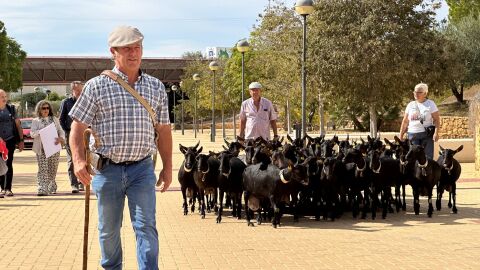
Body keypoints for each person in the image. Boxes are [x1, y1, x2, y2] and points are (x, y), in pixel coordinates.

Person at [69, 25, 172, 270]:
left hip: (142, 169)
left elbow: (164, 131)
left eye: (137, 47)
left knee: (146, 227)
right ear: (113, 52)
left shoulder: (156, 87)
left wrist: (168, 168)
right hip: (107, 171)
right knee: (108, 231)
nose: (134, 53)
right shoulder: (96, 86)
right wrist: (78, 160)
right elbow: (77, 127)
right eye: (127, 49)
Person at [30, 100, 65, 196]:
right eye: (43, 108)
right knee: (43, 169)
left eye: (47, 108)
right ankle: (42, 188)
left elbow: (61, 131)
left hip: (53, 147)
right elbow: (32, 134)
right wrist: (41, 131)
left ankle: (51, 186)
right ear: (39, 110)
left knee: (52, 169)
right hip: (41, 149)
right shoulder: (35, 121)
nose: (46, 110)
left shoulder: (54, 119)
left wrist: (61, 138)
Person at [399, 83, 440, 159]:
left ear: (425, 93)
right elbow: (405, 121)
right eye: (415, 92)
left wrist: (436, 133)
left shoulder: (431, 104)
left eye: (419, 92)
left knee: (427, 158)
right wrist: (401, 135)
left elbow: (436, 120)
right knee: (413, 158)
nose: (416, 94)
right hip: (412, 135)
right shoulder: (410, 105)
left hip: (426, 135)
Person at [59, 81, 84, 193]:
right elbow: (61, 119)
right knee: (72, 160)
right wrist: (67, 131)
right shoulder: (66, 102)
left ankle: (82, 182)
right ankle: (74, 184)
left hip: (85, 134)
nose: (79, 92)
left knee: (84, 158)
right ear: (72, 90)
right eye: (77, 90)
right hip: (70, 134)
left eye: (81, 90)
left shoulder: (86, 101)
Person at [0, 89, 24, 197]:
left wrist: (21, 140)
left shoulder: (12, 109)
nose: (4, 99)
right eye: (2, 97)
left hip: (10, 140)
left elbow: (18, 125)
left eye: (5, 96)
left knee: (8, 163)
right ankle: (1, 189)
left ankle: (8, 188)